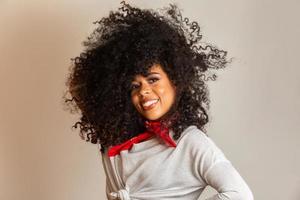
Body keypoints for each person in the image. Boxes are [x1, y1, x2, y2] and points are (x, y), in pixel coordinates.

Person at [63, 1, 254, 199]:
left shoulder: (190, 142)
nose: (144, 91)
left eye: (153, 79)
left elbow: (240, 195)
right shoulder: (115, 135)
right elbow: (78, 87)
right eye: (134, 85)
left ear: (176, 80)